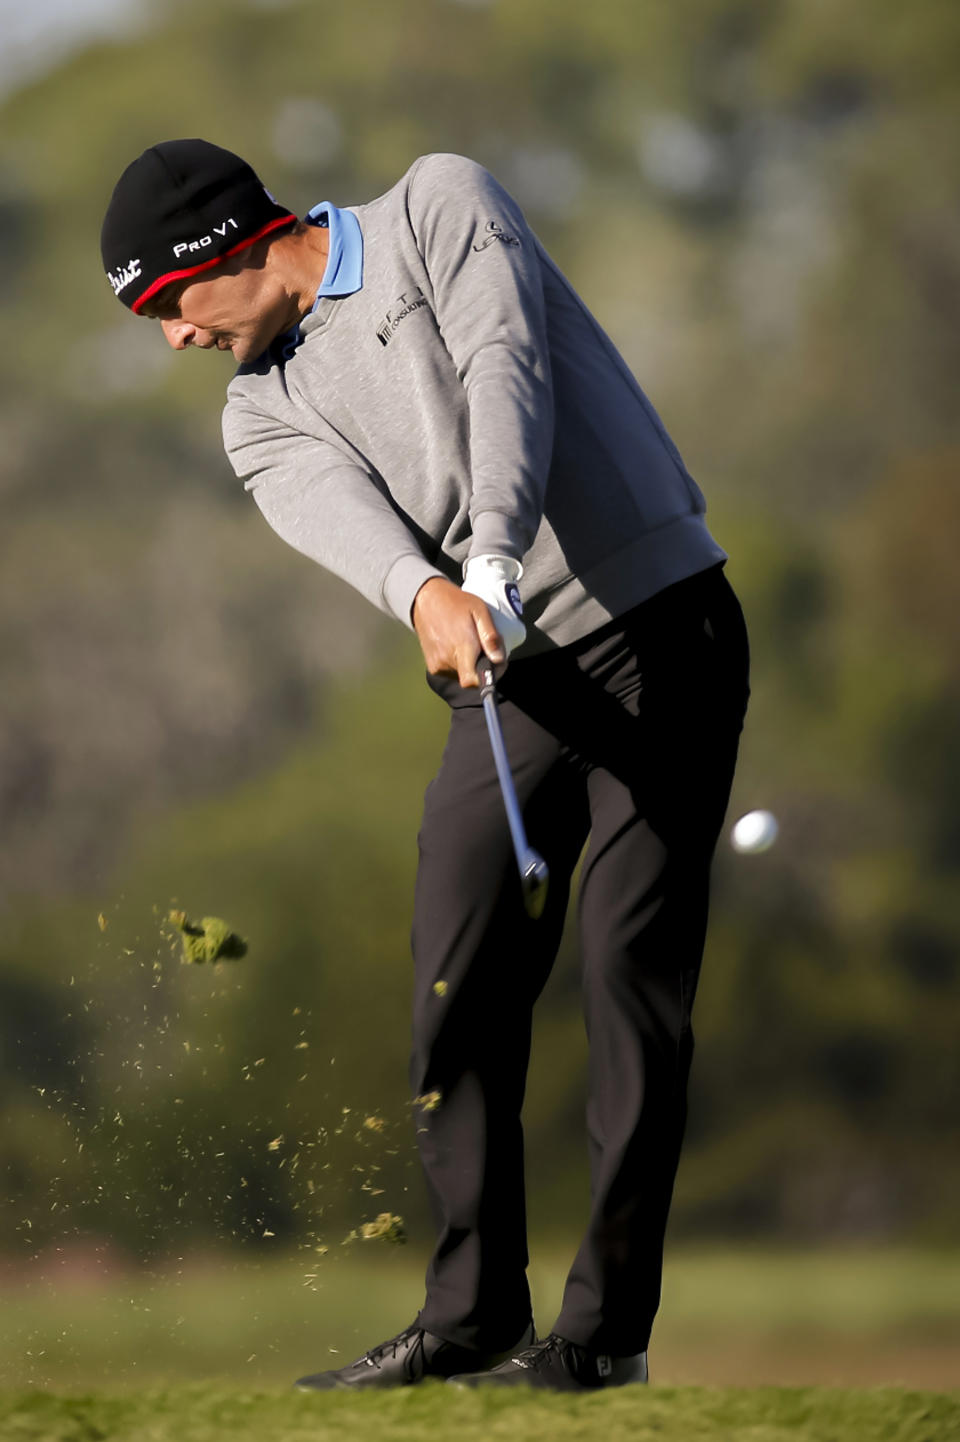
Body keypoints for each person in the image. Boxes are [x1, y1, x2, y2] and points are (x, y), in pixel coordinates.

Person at [101, 139, 749, 1392]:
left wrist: (494, 553)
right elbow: (365, 539)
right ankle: (471, 1315)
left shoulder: (436, 205)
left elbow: (511, 365)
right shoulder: (260, 414)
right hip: (511, 679)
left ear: (223, 252)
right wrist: (429, 597)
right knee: (455, 986)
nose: (172, 339)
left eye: (164, 306)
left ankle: (602, 1335)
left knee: (629, 985)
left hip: (662, 625)